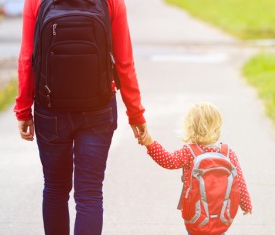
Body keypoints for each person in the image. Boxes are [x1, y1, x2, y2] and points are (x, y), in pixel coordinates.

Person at [14, 0, 148, 234]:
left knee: (55, 189)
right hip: (98, 109)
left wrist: (23, 109)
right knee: (90, 193)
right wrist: (136, 114)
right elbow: (124, 62)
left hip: (50, 109)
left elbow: (27, 58)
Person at [138, 102, 252, 235]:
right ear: (216, 127)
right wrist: (246, 204)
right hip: (222, 215)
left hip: (196, 217)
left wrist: (150, 143)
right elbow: (240, 182)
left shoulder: (189, 152)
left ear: (190, 127)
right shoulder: (227, 153)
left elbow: (168, 161)